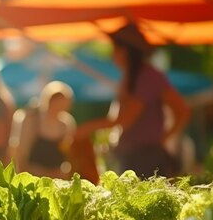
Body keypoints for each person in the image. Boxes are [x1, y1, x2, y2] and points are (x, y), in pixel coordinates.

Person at [76, 23, 191, 178]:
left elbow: (127, 119)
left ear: (126, 51)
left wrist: (87, 128)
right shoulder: (131, 77)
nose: (112, 55)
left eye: (115, 49)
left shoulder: (148, 76)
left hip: (145, 157)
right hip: (132, 155)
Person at [9, 81, 76, 178]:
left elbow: (68, 152)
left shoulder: (66, 123)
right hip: (33, 173)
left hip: (57, 176)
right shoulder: (31, 118)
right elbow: (19, 148)